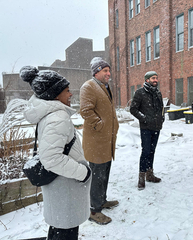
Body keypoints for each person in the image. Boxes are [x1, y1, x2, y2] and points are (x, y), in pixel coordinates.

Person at [21, 66, 91, 240]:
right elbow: (51, 158)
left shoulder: (49, 114)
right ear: (55, 94)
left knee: (59, 230)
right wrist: (83, 173)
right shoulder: (57, 117)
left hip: (59, 187)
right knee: (65, 232)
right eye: (67, 91)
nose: (70, 94)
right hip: (65, 188)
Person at [80, 57, 119, 225]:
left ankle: (101, 201)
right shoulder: (89, 87)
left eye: (109, 70)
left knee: (104, 174)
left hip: (106, 141)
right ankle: (94, 210)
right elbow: (85, 111)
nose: (108, 73)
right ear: (96, 72)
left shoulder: (103, 87)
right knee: (97, 176)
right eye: (105, 71)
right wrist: (100, 125)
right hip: (96, 142)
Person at [130, 71, 164, 190]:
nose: (155, 80)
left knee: (152, 151)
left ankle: (150, 174)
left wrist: (162, 117)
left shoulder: (158, 93)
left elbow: (161, 108)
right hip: (145, 128)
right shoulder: (140, 93)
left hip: (156, 127)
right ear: (147, 80)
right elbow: (133, 109)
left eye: (156, 78)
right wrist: (143, 118)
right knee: (146, 151)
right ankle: (141, 177)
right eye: (153, 78)